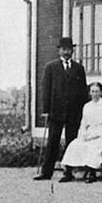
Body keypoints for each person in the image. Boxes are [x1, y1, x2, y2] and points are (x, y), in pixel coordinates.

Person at [35, 36, 90, 182]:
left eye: (69, 49)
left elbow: (83, 91)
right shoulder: (50, 67)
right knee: (52, 142)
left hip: (73, 112)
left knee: (71, 142)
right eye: (64, 49)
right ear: (59, 50)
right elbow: (46, 90)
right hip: (56, 111)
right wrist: (46, 110)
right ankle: (46, 172)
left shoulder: (79, 68)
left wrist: (83, 111)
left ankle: (68, 172)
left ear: (72, 51)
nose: (67, 52)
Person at [61, 83, 102, 183]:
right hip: (89, 132)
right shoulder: (87, 106)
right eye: (92, 91)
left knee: (93, 146)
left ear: (101, 92)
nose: (95, 94)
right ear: (90, 93)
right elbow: (84, 123)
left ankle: (92, 173)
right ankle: (68, 173)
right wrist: (82, 135)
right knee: (74, 145)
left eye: (97, 91)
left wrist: (98, 135)